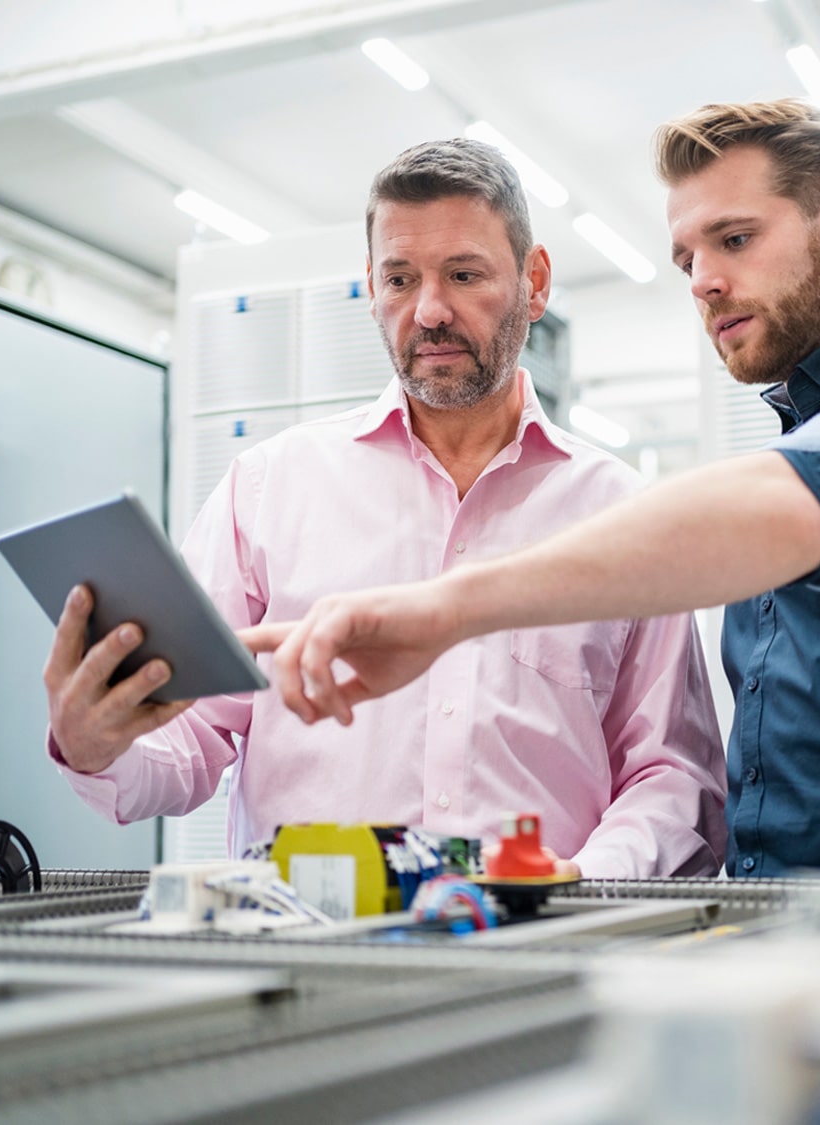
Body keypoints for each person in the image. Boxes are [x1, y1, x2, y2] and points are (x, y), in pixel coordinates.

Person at [242, 99, 820, 877]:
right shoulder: (790, 446)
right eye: (686, 255)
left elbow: (794, 505)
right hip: (798, 943)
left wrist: (448, 611)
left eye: (734, 239)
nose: (701, 280)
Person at [43, 138, 727, 878]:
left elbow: (672, 775)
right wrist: (98, 745)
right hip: (312, 957)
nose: (429, 311)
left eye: (464, 274)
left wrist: (583, 885)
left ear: (534, 282)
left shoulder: (617, 511)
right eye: (400, 279)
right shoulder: (270, 488)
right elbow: (193, 733)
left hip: (538, 952)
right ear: (370, 287)